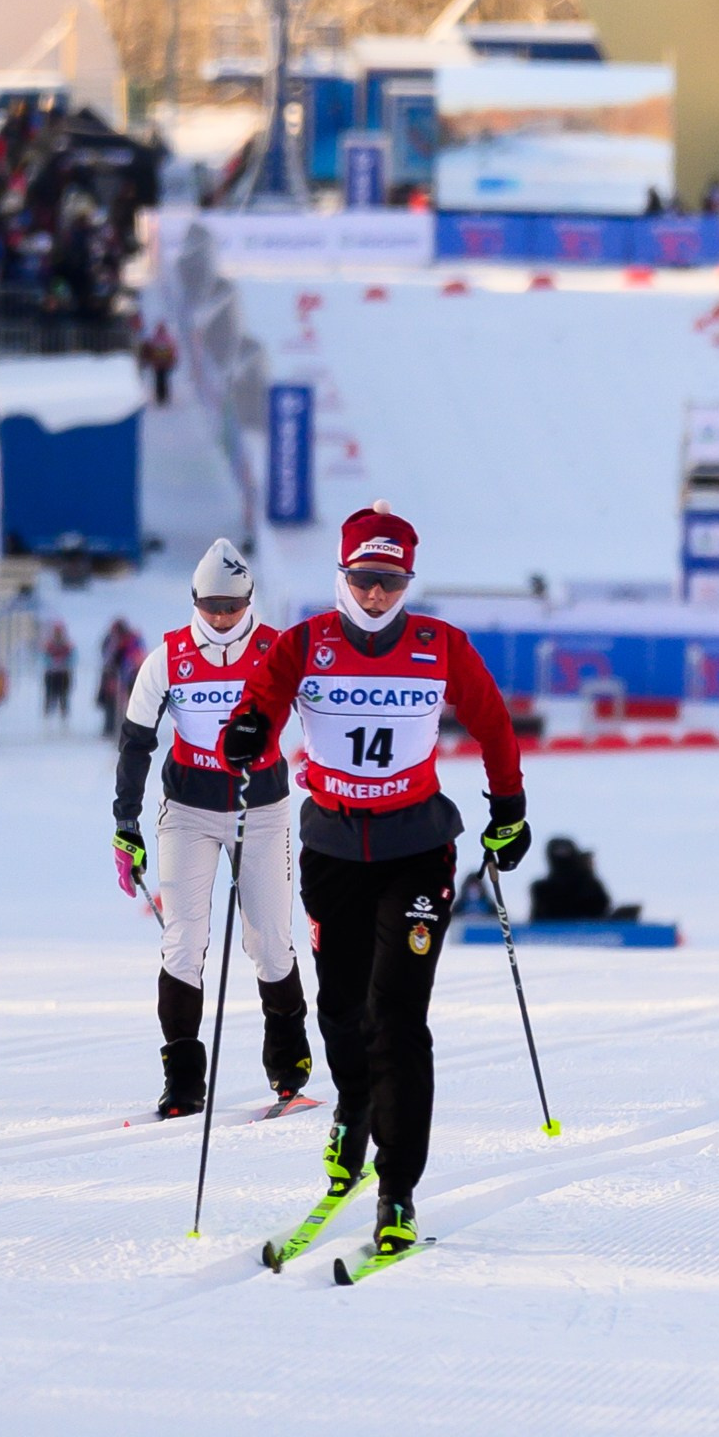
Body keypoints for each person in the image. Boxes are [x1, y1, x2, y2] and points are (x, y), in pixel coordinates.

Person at [221, 500, 528, 1264]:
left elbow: (492, 722)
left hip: (415, 848)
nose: (375, 594)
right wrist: (246, 733)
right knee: (341, 1007)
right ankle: (352, 1111)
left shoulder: (439, 645)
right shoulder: (304, 644)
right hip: (331, 849)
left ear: (408, 582)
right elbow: (256, 709)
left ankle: (396, 1188)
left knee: (397, 1016)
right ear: (341, 575)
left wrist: (509, 808)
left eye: (390, 581)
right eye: (362, 579)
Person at [111, 540, 311, 1122]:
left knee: (268, 939)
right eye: (211, 607)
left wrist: (323, 779)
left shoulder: (277, 649)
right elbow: (136, 742)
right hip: (189, 811)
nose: (222, 619)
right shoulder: (167, 657)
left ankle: (290, 1066)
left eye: (233, 607)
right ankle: (182, 1082)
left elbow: (317, 719)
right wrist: (126, 824)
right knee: (183, 941)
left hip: (262, 809)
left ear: (250, 600)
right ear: (194, 600)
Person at [43, 620, 76, 723]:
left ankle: (64, 719)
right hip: (51, 674)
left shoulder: (68, 645)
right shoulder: (49, 645)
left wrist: (65, 663)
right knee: (49, 696)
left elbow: (73, 658)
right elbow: (43, 658)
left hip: (63, 674)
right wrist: (51, 663)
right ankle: (47, 719)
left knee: (63, 697)